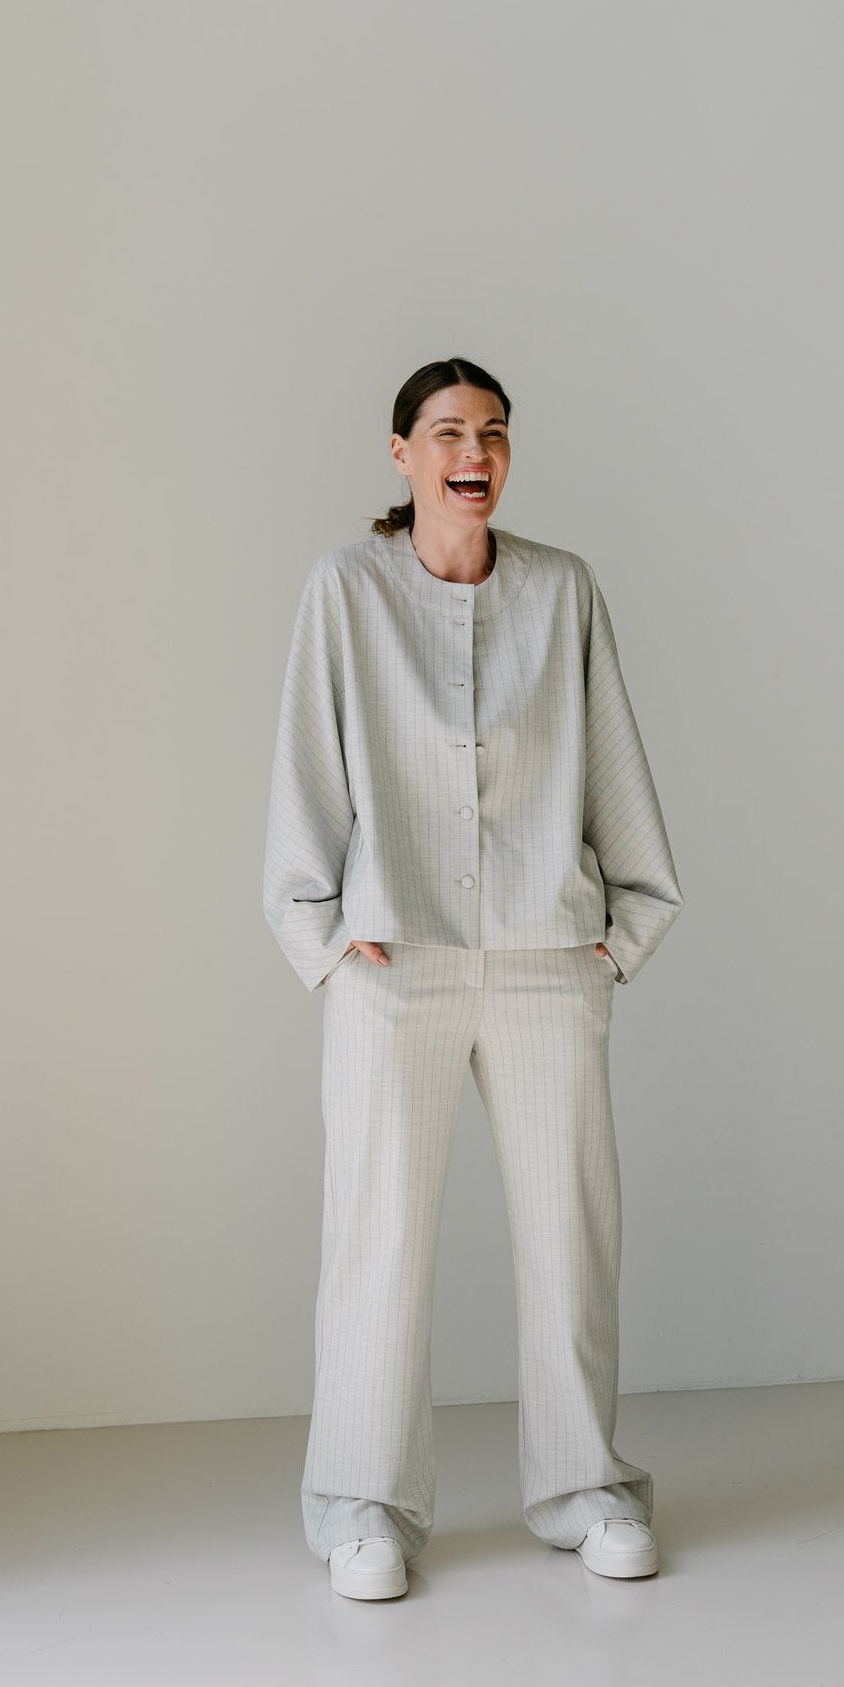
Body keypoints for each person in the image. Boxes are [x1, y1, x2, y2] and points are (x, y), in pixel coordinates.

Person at [263, 357, 683, 1600]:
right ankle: (365, 1505)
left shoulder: (563, 590)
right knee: (377, 1239)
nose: (475, 452)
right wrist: (323, 934)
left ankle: (587, 1487)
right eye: (448, 431)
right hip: (396, 960)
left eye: (493, 431)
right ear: (401, 452)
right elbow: (304, 762)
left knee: (572, 1235)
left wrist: (625, 930)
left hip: (549, 957)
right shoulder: (346, 590)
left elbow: (613, 761)